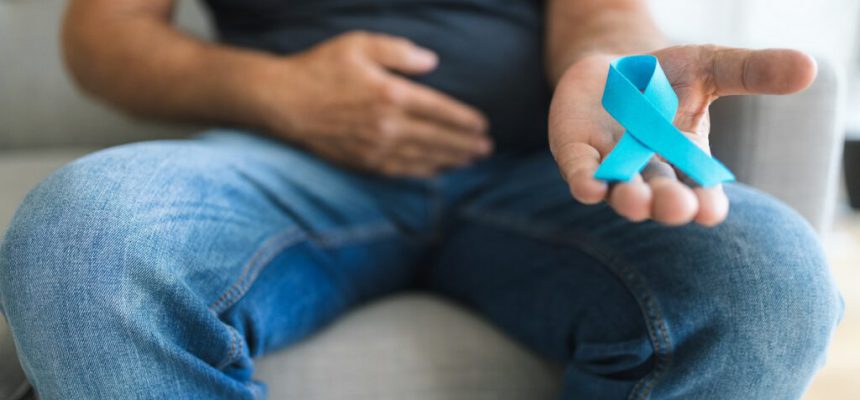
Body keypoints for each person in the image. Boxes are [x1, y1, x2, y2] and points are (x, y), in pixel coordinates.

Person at [0, 0, 843, 398]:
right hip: (285, 169)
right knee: (83, 241)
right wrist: (278, 92)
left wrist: (619, 76)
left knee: (766, 277)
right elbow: (103, 37)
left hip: (533, 174)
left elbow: (601, 13)